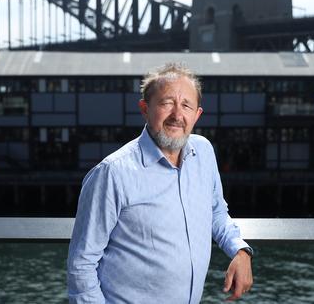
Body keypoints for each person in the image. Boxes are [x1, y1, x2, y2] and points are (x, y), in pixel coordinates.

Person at [67, 63, 253, 303]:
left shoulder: (204, 152)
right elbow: (81, 264)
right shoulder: (112, 173)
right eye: (166, 103)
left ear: (197, 115)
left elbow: (216, 211)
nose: (177, 115)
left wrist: (240, 250)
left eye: (186, 105)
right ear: (145, 109)